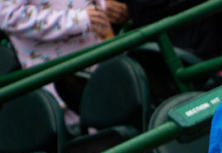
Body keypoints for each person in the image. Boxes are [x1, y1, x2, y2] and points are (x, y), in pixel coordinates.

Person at [0, 0, 128, 104]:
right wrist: (76, 20)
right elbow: (8, 16)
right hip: (61, 77)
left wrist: (101, 5)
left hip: (97, 59)